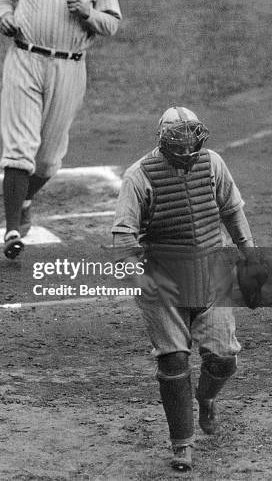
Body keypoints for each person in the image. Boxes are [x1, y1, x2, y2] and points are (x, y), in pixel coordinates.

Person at [111, 106, 255, 472]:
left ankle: (205, 399)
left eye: (193, 143)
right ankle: (182, 445)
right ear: (165, 142)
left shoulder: (214, 164)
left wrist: (249, 254)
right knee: (174, 359)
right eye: (181, 145)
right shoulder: (139, 176)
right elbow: (124, 233)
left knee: (223, 359)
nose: (189, 151)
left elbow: (232, 210)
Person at [0, 0, 122, 259]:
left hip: (70, 68)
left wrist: (88, 13)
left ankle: (24, 200)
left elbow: (112, 24)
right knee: (20, 149)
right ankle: (11, 231)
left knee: (48, 161)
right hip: (25, 60)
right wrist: (6, 16)